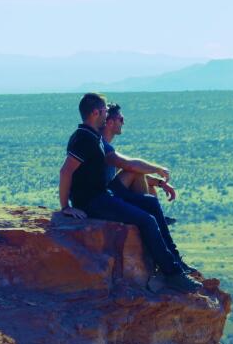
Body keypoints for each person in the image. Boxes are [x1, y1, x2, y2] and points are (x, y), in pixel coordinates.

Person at [59, 93, 202, 293]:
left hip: (102, 196)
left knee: (151, 204)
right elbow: (66, 171)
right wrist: (66, 207)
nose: (106, 114)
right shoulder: (84, 138)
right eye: (104, 111)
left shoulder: (93, 137)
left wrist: (156, 180)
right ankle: (172, 274)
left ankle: (175, 260)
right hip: (93, 201)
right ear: (95, 113)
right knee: (147, 220)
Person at [101, 103, 177, 224]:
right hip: (104, 198)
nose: (123, 123)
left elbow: (128, 172)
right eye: (121, 119)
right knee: (136, 171)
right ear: (110, 122)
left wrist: (160, 183)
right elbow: (131, 166)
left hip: (109, 193)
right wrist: (158, 169)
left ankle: (156, 218)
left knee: (149, 185)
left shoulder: (107, 146)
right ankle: (150, 218)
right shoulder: (102, 146)